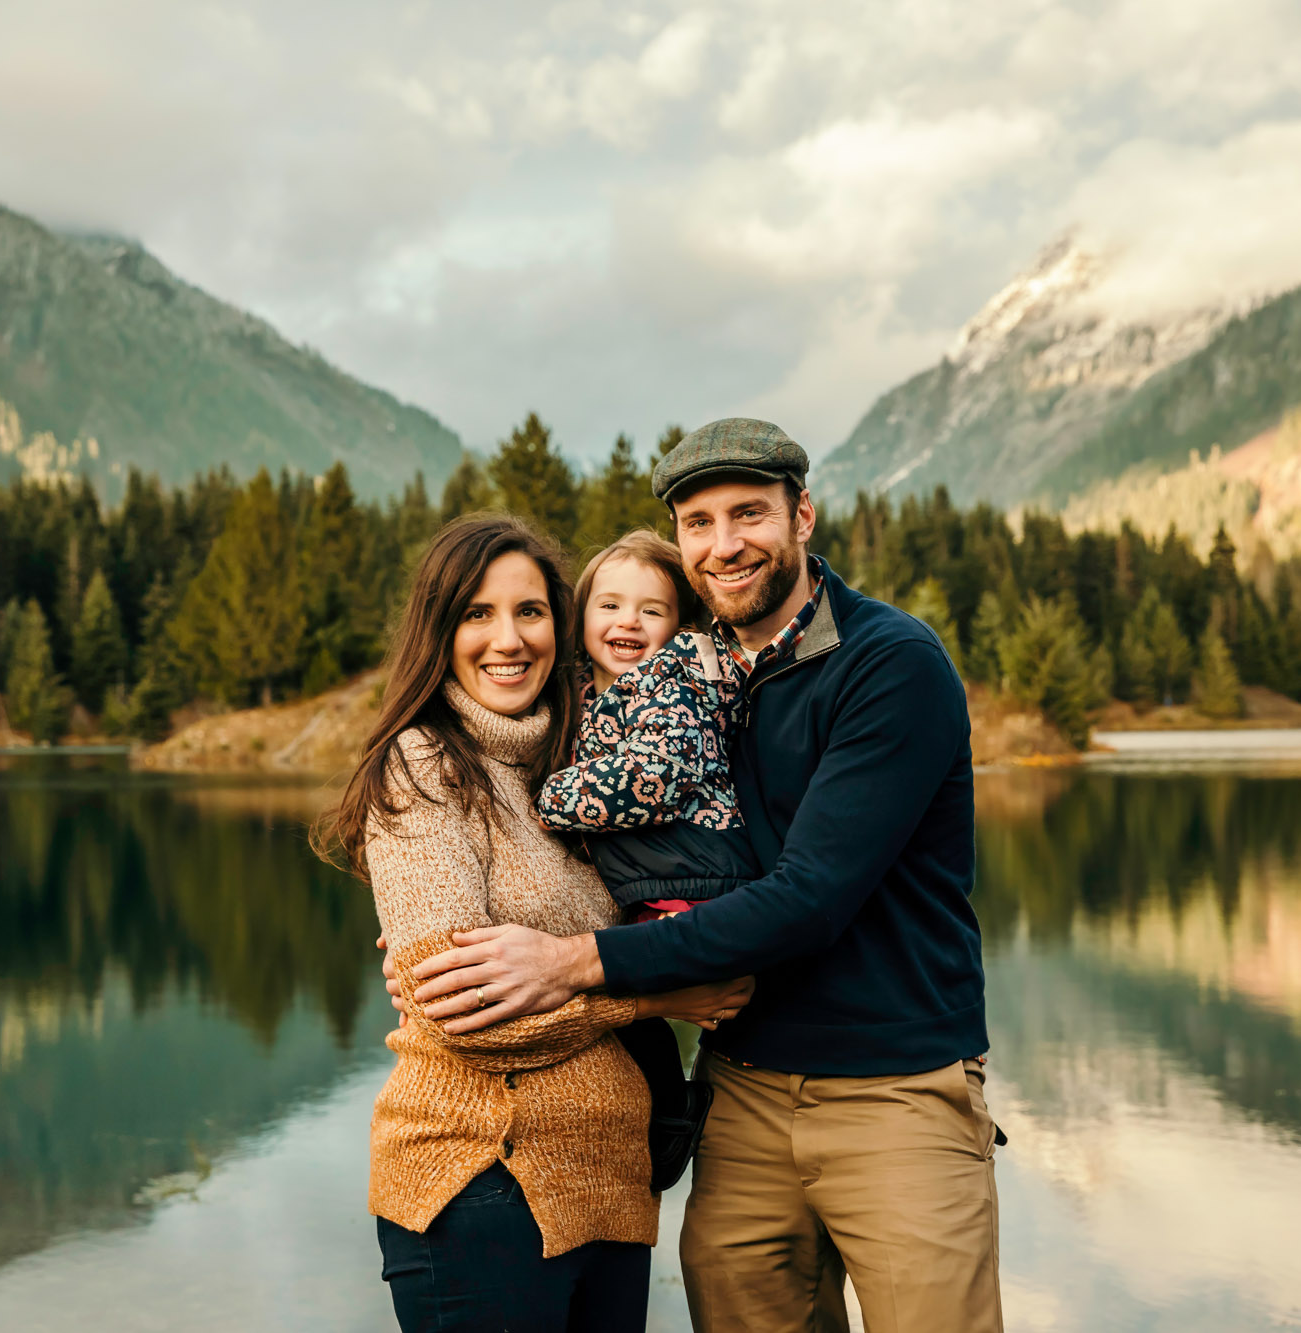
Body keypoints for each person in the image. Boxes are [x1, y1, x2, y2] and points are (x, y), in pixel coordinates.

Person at [405, 422, 1005, 1333]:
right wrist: (439, 927)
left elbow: (809, 898)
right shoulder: (693, 673)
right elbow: (615, 841)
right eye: (698, 522)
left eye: (750, 514)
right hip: (743, 1090)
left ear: (803, 516)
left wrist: (570, 963)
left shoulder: (888, 664)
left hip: (896, 1090)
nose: (724, 544)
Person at [314, 514, 753, 1333]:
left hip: (613, 1189)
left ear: (564, 624)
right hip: (481, 1183)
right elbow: (466, 1014)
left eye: (529, 611)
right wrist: (652, 998)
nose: (507, 638)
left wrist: (590, 963)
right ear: (437, 633)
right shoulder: (424, 765)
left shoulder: (583, 765)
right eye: (476, 613)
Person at [537, 528, 761, 1190]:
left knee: (631, 991)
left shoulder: (674, 678)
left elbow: (656, 778)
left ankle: (668, 1118)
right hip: (651, 876)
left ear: (680, 624)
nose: (627, 621)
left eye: (650, 610)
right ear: (581, 615)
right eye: (608, 605)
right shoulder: (575, 686)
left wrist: (546, 799)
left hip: (696, 870)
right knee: (619, 999)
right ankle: (655, 1116)